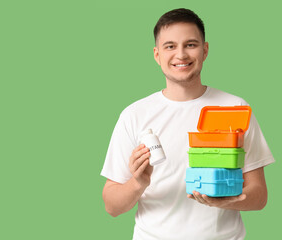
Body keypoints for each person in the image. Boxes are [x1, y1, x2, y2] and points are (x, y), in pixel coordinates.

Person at [100, 8, 275, 240]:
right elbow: (112, 206)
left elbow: (260, 197)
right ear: (156, 54)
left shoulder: (235, 108)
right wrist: (137, 183)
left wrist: (231, 200)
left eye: (190, 44)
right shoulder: (134, 115)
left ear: (205, 50)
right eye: (170, 46)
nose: (181, 55)